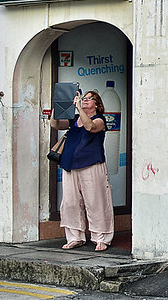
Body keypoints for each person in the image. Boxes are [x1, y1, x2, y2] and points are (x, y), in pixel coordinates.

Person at [48, 89, 114, 251]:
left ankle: (101, 237)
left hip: (91, 164)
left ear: (97, 105)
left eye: (89, 99)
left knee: (96, 202)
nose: (85, 100)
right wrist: (59, 106)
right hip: (70, 165)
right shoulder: (74, 119)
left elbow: (90, 127)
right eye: (83, 98)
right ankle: (75, 237)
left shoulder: (100, 120)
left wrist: (78, 108)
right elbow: (55, 124)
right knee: (70, 203)